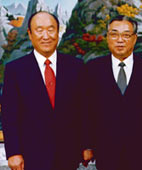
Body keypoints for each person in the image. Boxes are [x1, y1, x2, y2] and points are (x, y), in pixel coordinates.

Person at [2, 11, 87, 170]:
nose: (46, 36)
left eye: (50, 29)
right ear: (30, 34)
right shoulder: (15, 70)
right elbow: (9, 114)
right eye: (39, 30)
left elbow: (83, 109)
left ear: (58, 31)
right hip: (31, 155)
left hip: (68, 154)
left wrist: (86, 145)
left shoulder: (75, 66)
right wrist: (13, 152)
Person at [85, 15, 142, 170]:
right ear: (107, 37)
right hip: (106, 152)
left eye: (126, 35)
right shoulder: (93, 68)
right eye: (114, 34)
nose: (120, 40)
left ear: (134, 39)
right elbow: (86, 110)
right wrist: (87, 145)